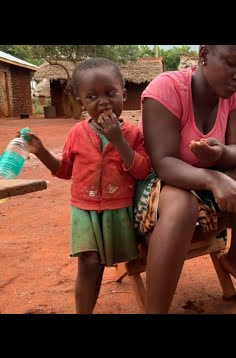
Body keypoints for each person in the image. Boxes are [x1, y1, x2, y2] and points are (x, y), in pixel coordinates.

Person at [136, 45, 236, 313]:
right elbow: (162, 163)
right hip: (160, 180)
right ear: (205, 54)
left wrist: (221, 153)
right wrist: (213, 180)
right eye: (231, 64)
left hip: (207, 172)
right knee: (183, 204)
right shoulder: (167, 89)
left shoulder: (235, 93)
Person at [24, 58, 151, 314]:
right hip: (84, 210)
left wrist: (117, 140)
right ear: (81, 102)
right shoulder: (76, 133)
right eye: (92, 96)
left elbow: (141, 170)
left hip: (119, 212)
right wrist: (41, 153)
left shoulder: (134, 134)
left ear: (124, 95)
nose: (102, 101)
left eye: (110, 93)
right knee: (89, 262)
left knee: (127, 258)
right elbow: (65, 170)